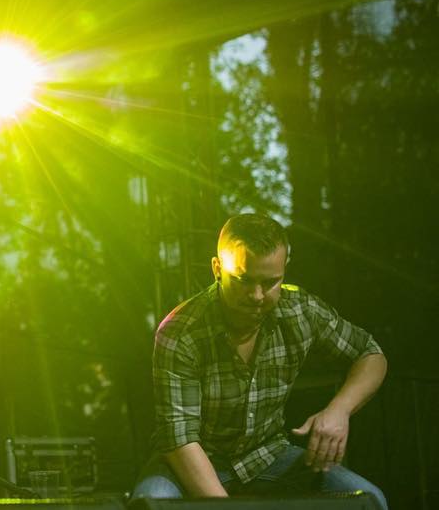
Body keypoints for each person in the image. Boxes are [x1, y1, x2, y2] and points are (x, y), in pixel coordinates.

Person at [132, 213, 388, 507]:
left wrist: (339, 410)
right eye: (243, 280)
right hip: (193, 459)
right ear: (217, 269)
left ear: (284, 270)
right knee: (150, 504)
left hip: (268, 456)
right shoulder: (180, 332)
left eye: (270, 282)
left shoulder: (302, 310)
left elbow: (371, 354)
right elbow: (180, 441)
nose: (256, 296)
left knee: (370, 501)